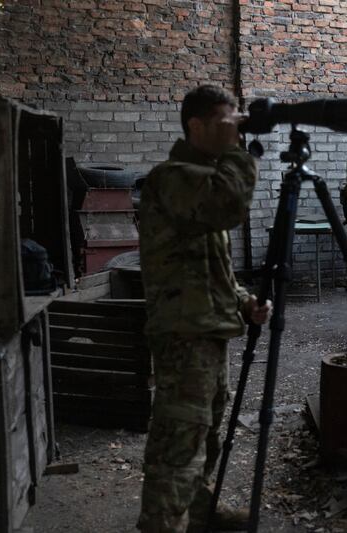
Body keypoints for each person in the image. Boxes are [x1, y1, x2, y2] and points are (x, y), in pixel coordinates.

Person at [136, 85, 271, 533]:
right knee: (179, 440)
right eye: (224, 122)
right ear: (195, 126)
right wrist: (238, 150)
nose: (233, 130)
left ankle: (198, 513)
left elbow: (212, 271)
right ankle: (160, 524)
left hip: (208, 329)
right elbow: (227, 204)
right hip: (183, 334)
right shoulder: (172, 178)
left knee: (206, 431)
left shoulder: (204, 180)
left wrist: (243, 300)